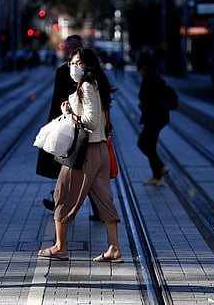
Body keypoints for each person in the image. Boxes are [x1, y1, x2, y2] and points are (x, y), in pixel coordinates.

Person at [37, 47, 122, 262]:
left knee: (62, 193)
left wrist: (70, 115)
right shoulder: (95, 84)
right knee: (104, 198)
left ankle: (60, 246)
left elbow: (91, 122)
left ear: (88, 65)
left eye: (78, 63)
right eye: (72, 63)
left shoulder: (87, 85)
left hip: (85, 153)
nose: (73, 67)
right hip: (100, 150)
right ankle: (114, 248)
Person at [35, 35, 100, 221]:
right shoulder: (65, 71)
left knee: (76, 170)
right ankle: (63, 205)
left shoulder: (83, 74)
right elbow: (57, 100)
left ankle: (62, 207)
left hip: (78, 126)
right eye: (68, 49)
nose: (69, 53)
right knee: (72, 170)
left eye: (73, 50)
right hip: (68, 123)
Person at [136, 54, 170, 186]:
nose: (139, 71)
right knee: (150, 145)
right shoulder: (156, 77)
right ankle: (157, 177)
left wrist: (142, 105)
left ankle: (161, 167)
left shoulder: (149, 79)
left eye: (139, 68)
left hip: (154, 118)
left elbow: (151, 100)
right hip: (159, 118)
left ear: (144, 67)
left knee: (143, 143)